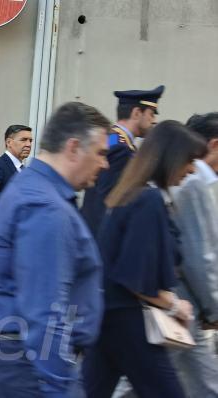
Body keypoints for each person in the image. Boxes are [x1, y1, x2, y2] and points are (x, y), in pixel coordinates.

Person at [0, 102, 111, 396]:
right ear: (73, 148)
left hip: (10, 348)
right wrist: (59, 386)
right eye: (100, 153)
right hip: (23, 356)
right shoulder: (46, 207)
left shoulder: (35, 188)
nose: (104, 163)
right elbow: (45, 311)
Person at [82, 120, 204, 398]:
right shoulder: (148, 201)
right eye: (189, 160)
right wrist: (175, 305)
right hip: (129, 322)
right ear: (171, 158)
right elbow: (135, 278)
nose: (192, 169)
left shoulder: (132, 194)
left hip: (110, 318)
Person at [169, 113, 218, 396]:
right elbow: (199, 258)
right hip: (185, 305)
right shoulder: (194, 182)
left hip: (184, 305)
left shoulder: (189, 179)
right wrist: (213, 308)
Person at [81, 85, 164, 235]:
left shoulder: (113, 139)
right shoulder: (120, 148)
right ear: (137, 113)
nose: (154, 120)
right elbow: (106, 200)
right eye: (151, 114)